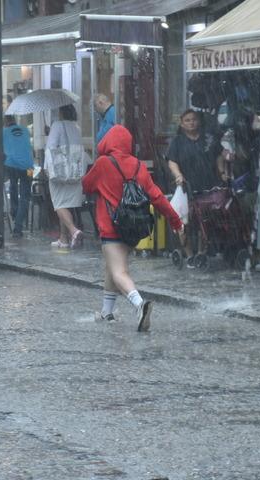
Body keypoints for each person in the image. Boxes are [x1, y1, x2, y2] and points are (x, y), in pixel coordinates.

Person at [82, 125, 184, 332]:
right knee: (111, 268)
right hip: (132, 227)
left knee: (119, 271)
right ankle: (107, 313)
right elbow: (157, 196)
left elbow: (86, 186)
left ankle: (139, 305)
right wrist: (176, 221)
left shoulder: (103, 163)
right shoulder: (138, 165)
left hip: (111, 227)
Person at [165, 109, 225, 266]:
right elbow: (172, 161)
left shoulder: (208, 139)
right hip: (187, 187)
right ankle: (189, 254)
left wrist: (222, 171)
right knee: (184, 221)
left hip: (208, 186)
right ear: (182, 124)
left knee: (204, 220)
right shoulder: (177, 142)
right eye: (187, 120)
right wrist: (178, 175)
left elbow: (219, 154)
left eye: (194, 119)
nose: (191, 123)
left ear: (198, 121)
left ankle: (201, 253)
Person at [44, 104, 86, 248]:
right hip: (74, 172)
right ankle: (63, 239)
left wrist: (46, 167)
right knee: (66, 204)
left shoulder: (57, 125)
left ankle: (74, 231)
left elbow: (50, 148)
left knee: (59, 205)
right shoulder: (76, 127)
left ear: (61, 113)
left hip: (59, 172)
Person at [3, 115, 34, 238]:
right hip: (29, 168)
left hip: (12, 165)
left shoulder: (4, 132)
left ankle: (14, 212)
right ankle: (18, 226)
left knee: (13, 186)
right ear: (15, 120)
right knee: (25, 196)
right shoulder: (25, 130)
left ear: (5, 122)